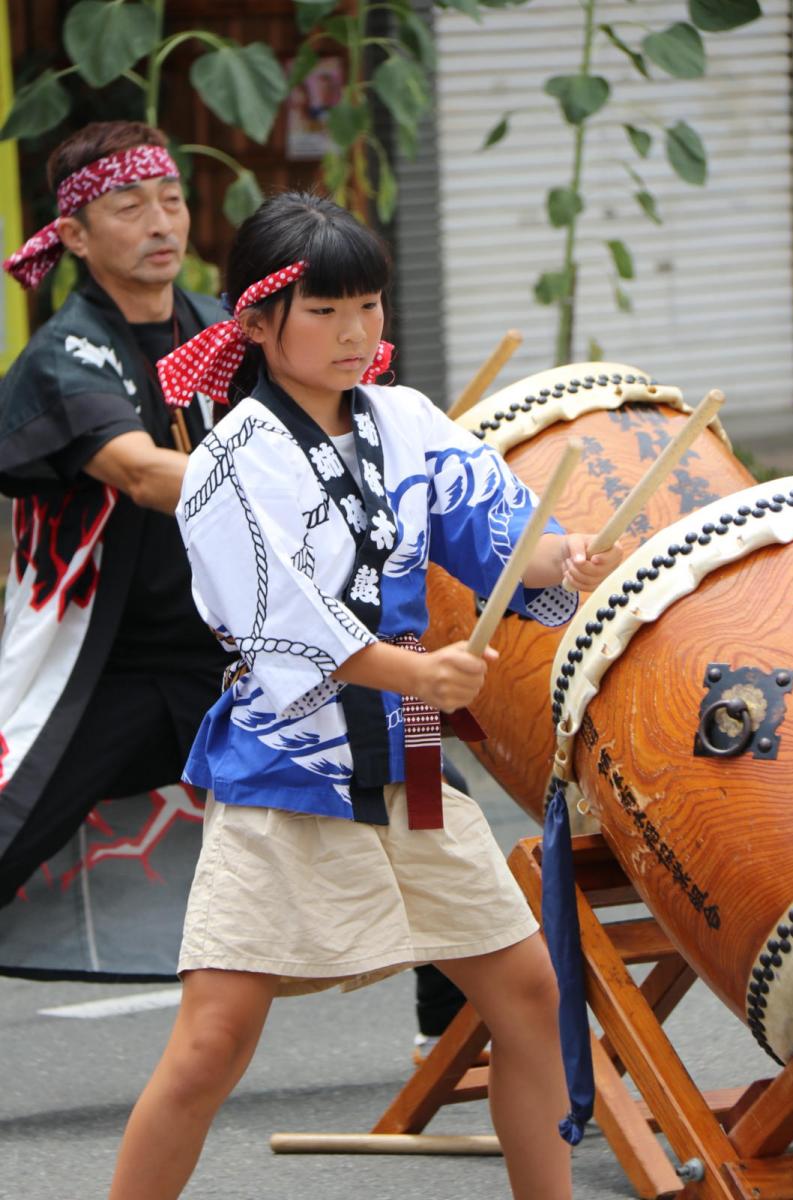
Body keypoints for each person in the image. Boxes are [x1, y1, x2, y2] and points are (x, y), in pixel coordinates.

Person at [108, 191, 623, 1200]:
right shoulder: (226, 462)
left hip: (413, 751)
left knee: (527, 998)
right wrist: (412, 671)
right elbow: (271, 620)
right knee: (214, 1041)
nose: (356, 334)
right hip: (287, 765)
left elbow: (500, 538)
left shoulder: (409, 421)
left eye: (371, 308)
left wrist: (562, 555)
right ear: (256, 322)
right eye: (326, 310)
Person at [0, 120, 230, 912]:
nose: (161, 223)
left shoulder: (227, 330)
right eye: (129, 207)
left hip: (234, 657)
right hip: (103, 672)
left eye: (170, 200)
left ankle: (445, 1033)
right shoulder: (67, 354)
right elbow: (139, 472)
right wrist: (289, 484)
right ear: (73, 234)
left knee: (415, 786)